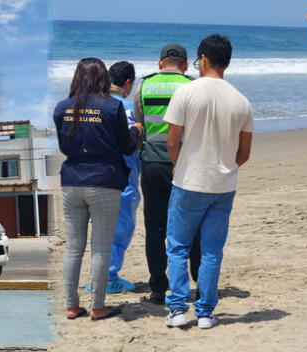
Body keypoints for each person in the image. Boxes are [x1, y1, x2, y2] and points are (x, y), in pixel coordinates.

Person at [163, 34, 253, 329]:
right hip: (223, 185)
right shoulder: (241, 101)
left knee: (177, 247)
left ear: (202, 59)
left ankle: (177, 309)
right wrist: (225, 167)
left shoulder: (186, 93)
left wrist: (179, 165)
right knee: (212, 250)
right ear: (227, 61)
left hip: (189, 180)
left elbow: (172, 141)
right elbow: (244, 153)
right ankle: (205, 312)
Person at [53, 58, 143, 320]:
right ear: (103, 77)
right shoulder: (111, 106)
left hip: (72, 180)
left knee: (73, 247)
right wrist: (136, 131)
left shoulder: (62, 107)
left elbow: (63, 145)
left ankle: (71, 305)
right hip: (104, 179)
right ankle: (98, 305)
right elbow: (126, 146)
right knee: (101, 247)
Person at [134, 43, 201, 304]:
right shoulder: (192, 86)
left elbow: (140, 129)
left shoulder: (143, 86)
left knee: (155, 227)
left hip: (152, 164)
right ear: (185, 64)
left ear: (160, 63)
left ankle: (158, 288)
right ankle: (198, 279)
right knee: (193, 226)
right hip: (185, 164)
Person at [83, 61, 140, 294]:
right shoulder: (130, 110)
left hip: (94, 177)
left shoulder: (93, 108)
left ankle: (100, 275)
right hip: (123, 179)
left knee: (99, 228)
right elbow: (137, 144)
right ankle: (108, 277)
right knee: (120, 228)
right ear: (127, 83)